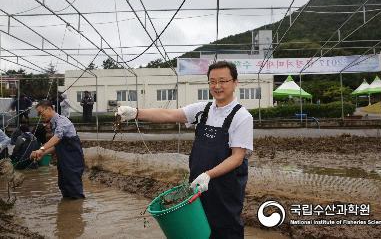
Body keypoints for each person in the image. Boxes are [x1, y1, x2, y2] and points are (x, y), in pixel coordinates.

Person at [116, 61, 253, 238]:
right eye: (212, 81)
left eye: (223, 81)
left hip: (224, 190)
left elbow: (237, 158)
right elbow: (169, 114)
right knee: (198, 229)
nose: (217, 86)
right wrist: (136, 113)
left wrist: (208, 175)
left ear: (235, 83)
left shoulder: (242, 117)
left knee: (225, 229)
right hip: (197, 186)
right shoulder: (203, 110)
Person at [30, 100, 85, 199]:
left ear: (49, 109)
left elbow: (57, 137)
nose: (39, 115)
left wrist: (41, 149)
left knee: (74, 189)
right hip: (64, 161)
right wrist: (43, 153)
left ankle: (77, 211)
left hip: (73, 161)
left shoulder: (62, 121)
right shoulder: (54, 124)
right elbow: (57, 145)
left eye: (40, 112)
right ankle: (68, 211)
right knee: (63, 185)